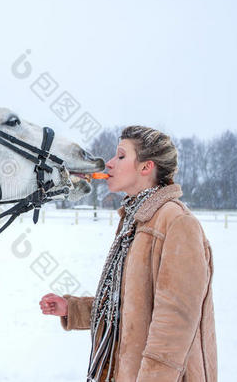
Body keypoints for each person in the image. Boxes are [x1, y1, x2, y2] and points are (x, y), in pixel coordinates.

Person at [39, 126, 217, 381]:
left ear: (146, 167)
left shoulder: (176, 223)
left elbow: (174, 326)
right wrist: (72, 308)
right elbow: (126, 307)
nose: (109, 163)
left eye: (121, 156)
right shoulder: (136, 220)